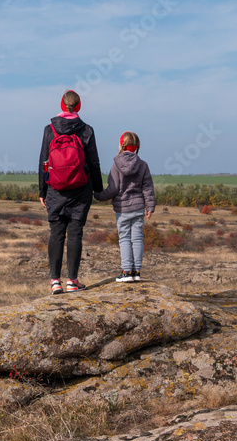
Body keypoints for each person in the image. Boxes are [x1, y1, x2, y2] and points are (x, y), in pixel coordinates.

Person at [38, 90, 103, 294]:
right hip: (81, 190)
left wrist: (42, 190)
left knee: (56, 234)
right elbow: (93, 162)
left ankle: (55, 282)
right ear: (79, 106)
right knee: (75, 234)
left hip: (55, 190)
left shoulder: (49, 129)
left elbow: (43, 162)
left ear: (62, 104)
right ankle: (72, 281)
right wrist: (97, 189)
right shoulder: (87, 130)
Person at [94, 131, 155, 282]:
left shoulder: (116, 165)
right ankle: (136, 272)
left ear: (122, 145)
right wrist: (150, 207)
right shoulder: (143, 165)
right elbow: (148, 188)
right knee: (137, 239)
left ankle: (126, 272)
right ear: (137, 147)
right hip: (138, 207)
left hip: (122, 209)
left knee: (125, 239)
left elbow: (113, 189)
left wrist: (98, 196)